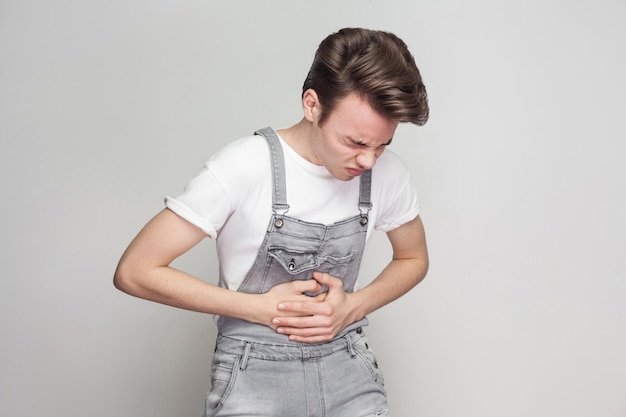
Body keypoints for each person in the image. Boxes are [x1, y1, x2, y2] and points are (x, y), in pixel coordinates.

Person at [114, 27, 429, 417]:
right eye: (355, 142)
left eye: (383, 145)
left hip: (349, 373)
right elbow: (135, 271)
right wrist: (259, 308)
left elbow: (414, 258)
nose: (368, 161)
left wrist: (354, 306)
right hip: (253, 376)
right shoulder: (244, 166)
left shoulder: (387, 174)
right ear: (312, 106)